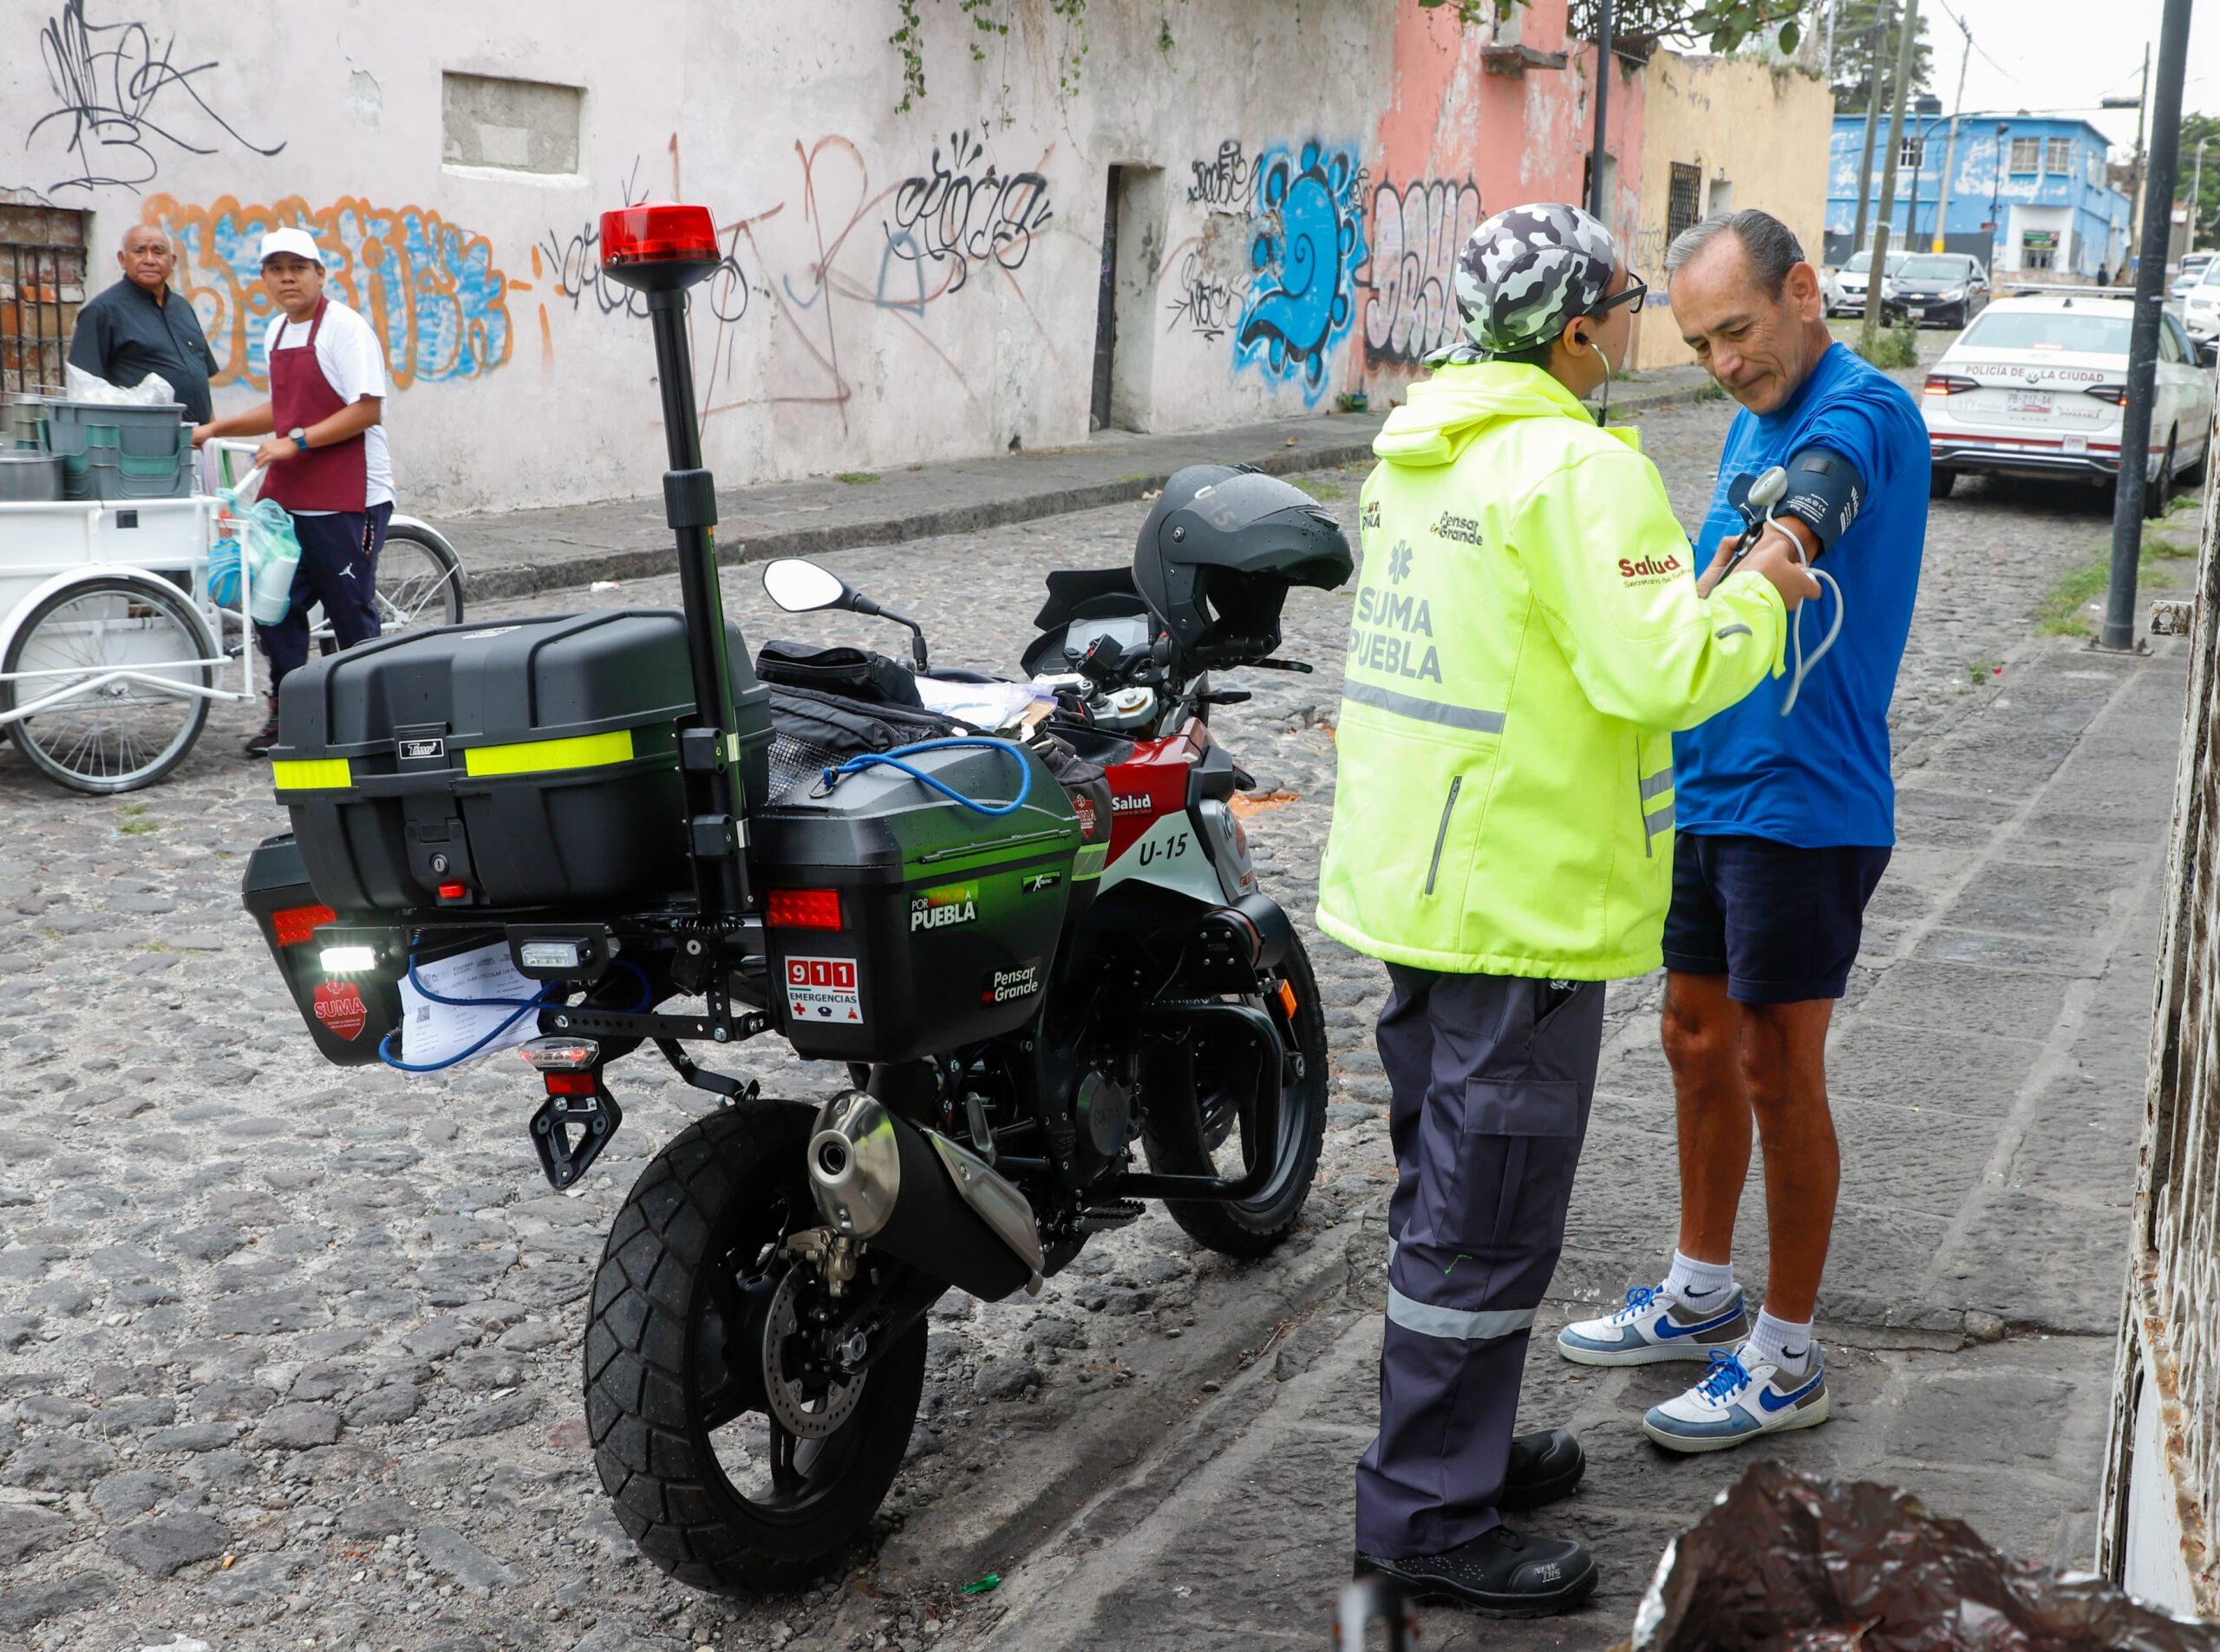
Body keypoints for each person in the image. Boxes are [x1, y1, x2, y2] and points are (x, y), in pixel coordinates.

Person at [1316, 203, 1818, 1618]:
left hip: (1421, 887)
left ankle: (1454, 1450)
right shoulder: (1582, 471)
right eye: (1628, 307)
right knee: (1483, 1220)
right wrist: (1763, 596)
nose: (1638, 330)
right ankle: (1428, 1512)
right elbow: (1661, 678)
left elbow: (1541, 650)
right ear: (1579, 330)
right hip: (1520, 905)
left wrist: (1682, 602)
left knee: (1442, 1198)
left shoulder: (1421, 454)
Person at [1556, 210, 1929, 1453]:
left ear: (1802, 291)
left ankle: (1786, 1353)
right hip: (1713, 783)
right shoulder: (1748, 415)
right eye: (1700, 343)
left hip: (1805, 802)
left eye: (1738, 329)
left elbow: (1816, 500)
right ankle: (1700, 1289)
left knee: (1778, 1067)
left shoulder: (1864, 407)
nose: (1723, 361)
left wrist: (1778, 549)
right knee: (1691, 1038)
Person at [192, 228, 393, 756]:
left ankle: (368, 719)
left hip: (349, 494)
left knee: (349, 612)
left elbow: (367, 409)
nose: (288, 278)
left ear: (320, 274)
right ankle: (290, 713)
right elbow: (285, 409)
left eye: (298, 268)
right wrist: (218, 428)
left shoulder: (346, 329)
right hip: (289, 498)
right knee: (274, 607)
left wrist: (295, 442)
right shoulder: (277, 332)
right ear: (264, 278)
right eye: (276, 269)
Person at [67, 222, 220, 424]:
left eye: (158, 252)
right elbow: (85, 392)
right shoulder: (102, 312)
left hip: (197, 438)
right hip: (141, 438)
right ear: (122, 260)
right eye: (139, 251)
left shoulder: (182, 308)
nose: (149, 260)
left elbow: (199, 380)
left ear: (172, 261)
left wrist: (212, 433)